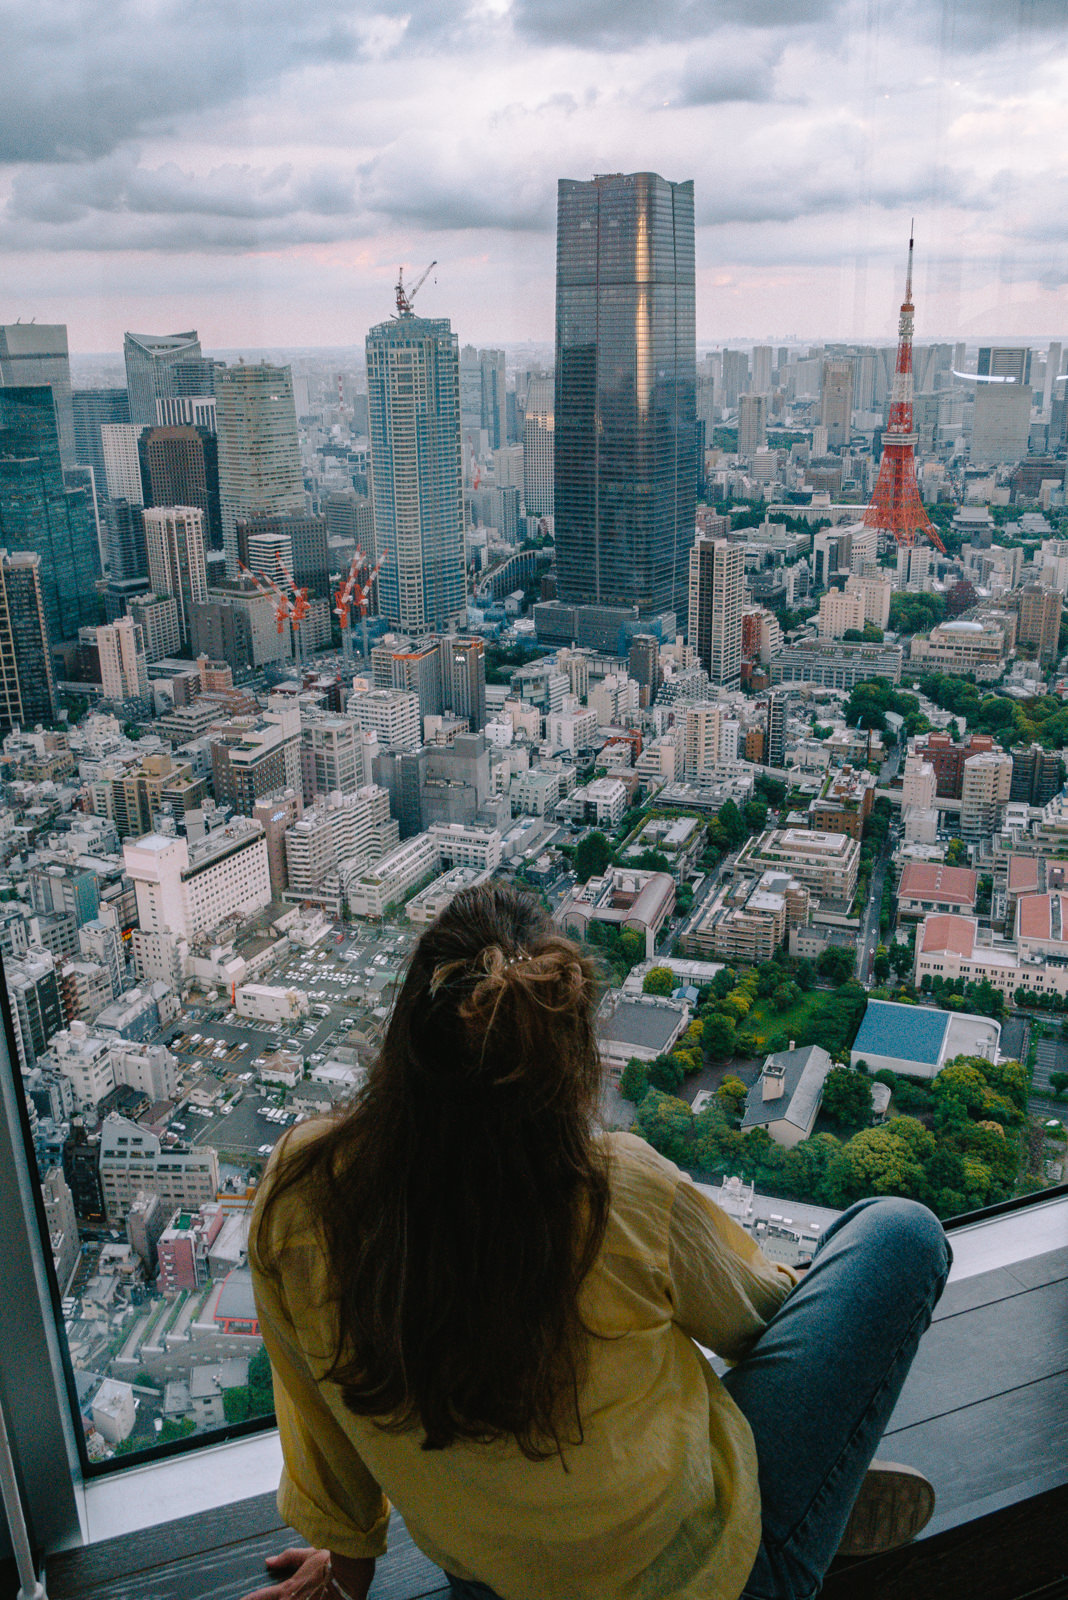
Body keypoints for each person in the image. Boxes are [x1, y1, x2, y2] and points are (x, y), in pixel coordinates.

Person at [244, 883, 951, 1600]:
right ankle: (813, 1507)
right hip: (705, 1576)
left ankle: (815, 1502)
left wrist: (345, 1574)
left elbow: (315, 1411)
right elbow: (760, 1319)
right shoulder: (618, 1193)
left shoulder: (304, 1195)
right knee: (899, 1235)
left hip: (495, 1582)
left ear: (407, 1034)